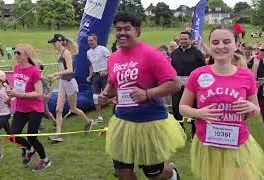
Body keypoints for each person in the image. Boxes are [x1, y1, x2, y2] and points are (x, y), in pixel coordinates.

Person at [99, 13, 186, 180]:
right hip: (123, 122)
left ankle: (172, 173)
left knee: (155, 173)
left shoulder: (151, 54)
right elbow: (113, 83)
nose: (122, 33)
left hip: (150, 122)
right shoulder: (113, 58)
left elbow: (175, 84)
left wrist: (147, 94)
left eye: (127, 29)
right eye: (118, 29)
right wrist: (105, 94)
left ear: (137, 31)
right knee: (122, 173)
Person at [179, 26, 264, 180]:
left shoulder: (246, 76)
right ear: (209, 46)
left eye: (227, 41)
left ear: (236, 45)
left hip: (238, 142)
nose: (220, 46)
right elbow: (182, 107)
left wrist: (252, 107)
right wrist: (199, 113)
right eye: (215, 42)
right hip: (207, 144)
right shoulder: (198, 74)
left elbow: (256, 111)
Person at [7, 43, 51, 171]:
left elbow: (38, 93)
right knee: (12, 135)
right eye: (15, 52)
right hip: (21, 107)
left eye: (18, 53)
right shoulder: (16, 68)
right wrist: (11, 92)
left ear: (27, 55)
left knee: (32, 136)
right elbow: (18, 86)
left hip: (35, 108)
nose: (16, 55)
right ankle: (29, 149)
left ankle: (45, 160)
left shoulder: (34, 71)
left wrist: (19, 94)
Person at [47, 34, 93, 142]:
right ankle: (58, 134)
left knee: (73, 109)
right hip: (63, 83)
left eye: (55, 42)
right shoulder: (61, 54)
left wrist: (54, 73)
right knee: (58, 109)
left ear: (61, 42)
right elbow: (64, 73)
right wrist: (56, 78)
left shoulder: (66, 53)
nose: (53, 44)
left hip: (70, 84)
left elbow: (70, 70)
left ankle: (88, 122)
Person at [170, 31, 206, 137]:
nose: (183, 41)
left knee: (193, 107)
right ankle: (180, 132)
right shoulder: (174, 53)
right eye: (181, 39)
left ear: (190, 40)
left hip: (193, 86)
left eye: (185, 39)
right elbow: (170, 69)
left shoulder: (197, 53)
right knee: (176, 108)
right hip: (178, 85)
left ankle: (195, 132)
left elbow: (202, 69)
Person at [86, 33, 111, 124]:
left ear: (96, 40)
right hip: (96, 76)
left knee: (107, 96)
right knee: (95, 97)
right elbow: (91, 66)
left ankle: (116, 112)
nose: (90, 42)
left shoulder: (103, 49)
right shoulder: (88, 52)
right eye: (88, 41)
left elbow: (111, 60)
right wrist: (90, 76)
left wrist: (106, 71)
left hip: (104, 75)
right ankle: (100, 116)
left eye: (91, 40)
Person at [37, 63, 56, 132]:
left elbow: (51, 86)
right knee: (37, 111)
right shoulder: (36, 78)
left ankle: (55, 122)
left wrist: (48, 95)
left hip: (42, 98)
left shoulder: (43, 79)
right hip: (37, 98)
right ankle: (40, 127)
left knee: (46, 112)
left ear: (40, 70)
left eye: (36, 67)